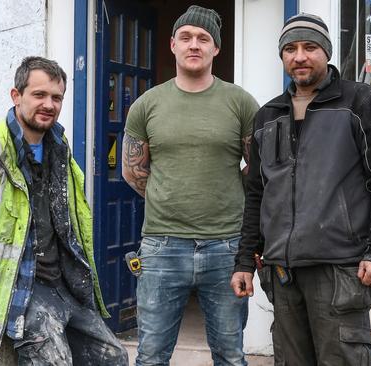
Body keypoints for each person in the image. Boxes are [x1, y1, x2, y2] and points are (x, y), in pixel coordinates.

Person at [0, 56, 128, 365]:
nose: (49, 104)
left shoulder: (59, 148)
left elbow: (73, 221)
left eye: (56, 97)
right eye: (39, 95)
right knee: (54, 360)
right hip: (16, 287)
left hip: (61, 282)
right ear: (16, 96)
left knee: (113, 357)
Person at [231, 13, 371, 365]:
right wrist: (243, 262)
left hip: (339, 270)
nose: (299, 56)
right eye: (290, 49)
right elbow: (257, 195)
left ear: (326, 52)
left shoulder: (360, 103)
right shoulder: (268, 116)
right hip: (281, 272)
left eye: (309, 47)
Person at [122, 5, 259, 366]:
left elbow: (259, 169)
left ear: (216, 48)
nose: (193, 44)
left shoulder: (241, 102)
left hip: (226, 246)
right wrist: (170, 195)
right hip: (161, 246)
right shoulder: (146, 105)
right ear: (172, 45)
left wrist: (224, 193)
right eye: (186, 37)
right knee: (150, 356)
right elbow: (133, 171)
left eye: (203, 38)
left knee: (230, 355)